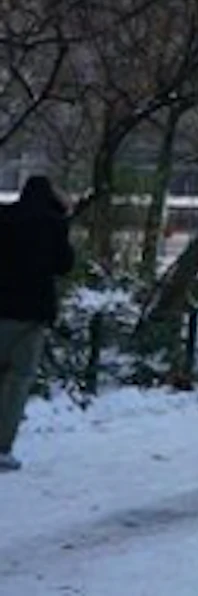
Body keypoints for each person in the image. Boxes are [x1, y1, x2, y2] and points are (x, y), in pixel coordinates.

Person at [0, 175, 75, 471]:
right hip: (32, 315)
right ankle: (2, 446)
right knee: (18, 380)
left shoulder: (4, 218)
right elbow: (64, 265)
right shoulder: (53, 224)